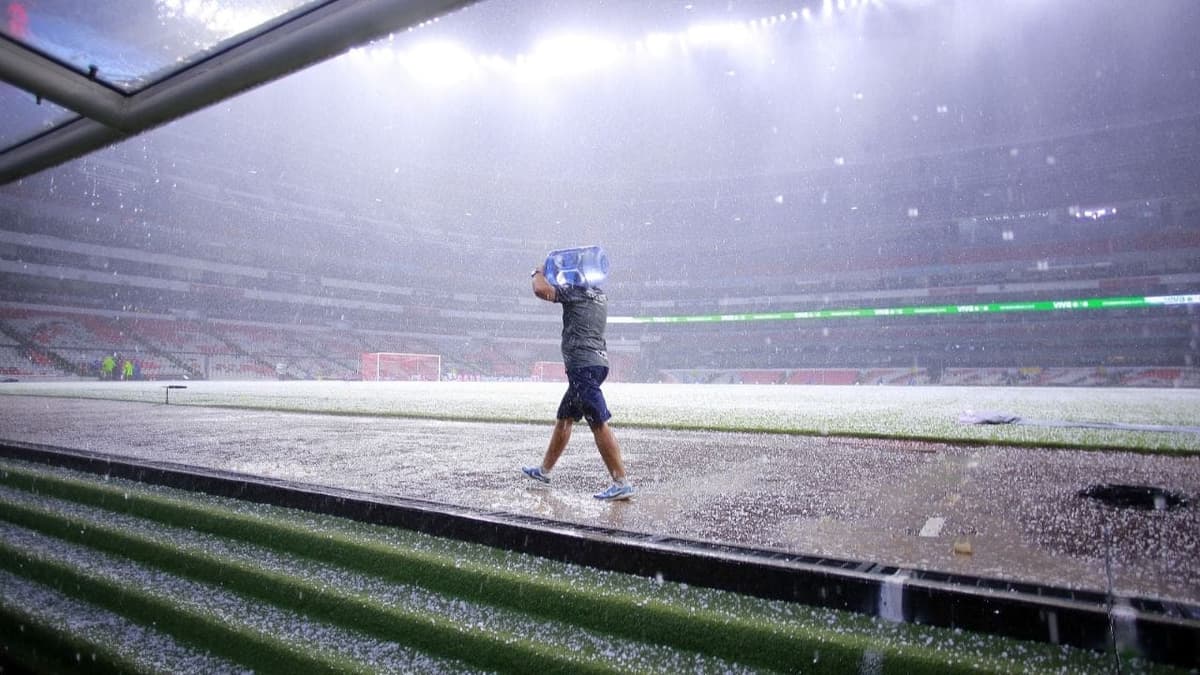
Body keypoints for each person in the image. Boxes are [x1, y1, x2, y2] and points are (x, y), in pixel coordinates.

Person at [523, 261, 635, 501]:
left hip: (583, 367)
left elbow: (541, 290)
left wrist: (537, 272)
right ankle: (544, 472)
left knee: (598, 422)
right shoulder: (600, 295)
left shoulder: (576, 293)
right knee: (564, 418)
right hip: (595, 363)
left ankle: (621, 481)